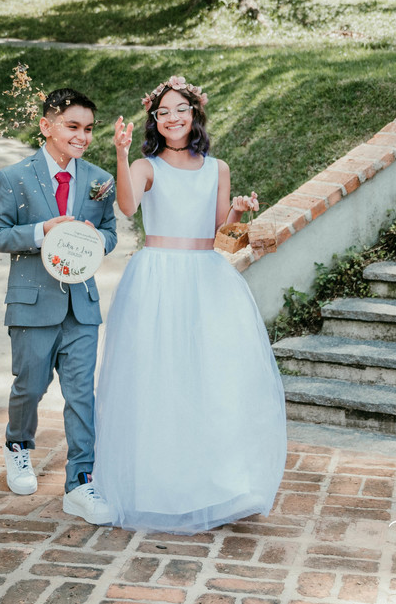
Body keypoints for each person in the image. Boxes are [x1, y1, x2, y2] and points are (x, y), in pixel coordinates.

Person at [93, 76, 287, 534]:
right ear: (154, 120)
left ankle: (220, 484)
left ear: (195, 113)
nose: (172, 118)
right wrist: (120, 153)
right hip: (157, 278)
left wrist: (238, 212)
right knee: (158, 377)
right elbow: (127, 207)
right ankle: (157, 486)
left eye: (180, 109)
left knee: (212, 378)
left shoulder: (217, 168)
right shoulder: (146, 166)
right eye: (163, 112)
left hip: (207, 278)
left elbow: (222, 239)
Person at [0, 88, 118, 525]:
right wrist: (43, 231)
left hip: (82, 307)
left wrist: (98, 240)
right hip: (32, 304)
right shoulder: (15, 177)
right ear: (46, 126)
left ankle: (81, 482)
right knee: (30, 386)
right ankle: (17, 444)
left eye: (89, 129)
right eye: (72, 126)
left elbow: (110, 231)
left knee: (81, 395)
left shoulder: (100, 180)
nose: (83, 136)